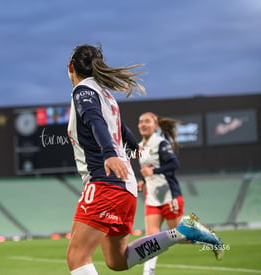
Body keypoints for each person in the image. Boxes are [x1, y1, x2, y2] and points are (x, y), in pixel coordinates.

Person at [66, 44, 224, 275]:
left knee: (77, 257)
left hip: (105, 182)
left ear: (71, 66)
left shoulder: (83, 92)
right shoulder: (107, 97)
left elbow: (94, 120)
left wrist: (110, 155)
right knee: (117, 261)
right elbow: (125, 133)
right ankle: (183, 231)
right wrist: (134, 151)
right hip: (124, 185)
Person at [137, 113, 183, 275]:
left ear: (156, 125)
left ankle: (203, 234)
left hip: (169, 195)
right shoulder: (140, 146)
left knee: (180, 235)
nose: (143, 124)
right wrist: (143, 179)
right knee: (151, 237)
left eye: (147, 121)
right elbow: (148, 169)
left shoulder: (161, 143)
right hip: (152, 198)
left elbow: (174, 163)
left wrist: (153, 171)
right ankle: (148, 271)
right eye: (141, 122)